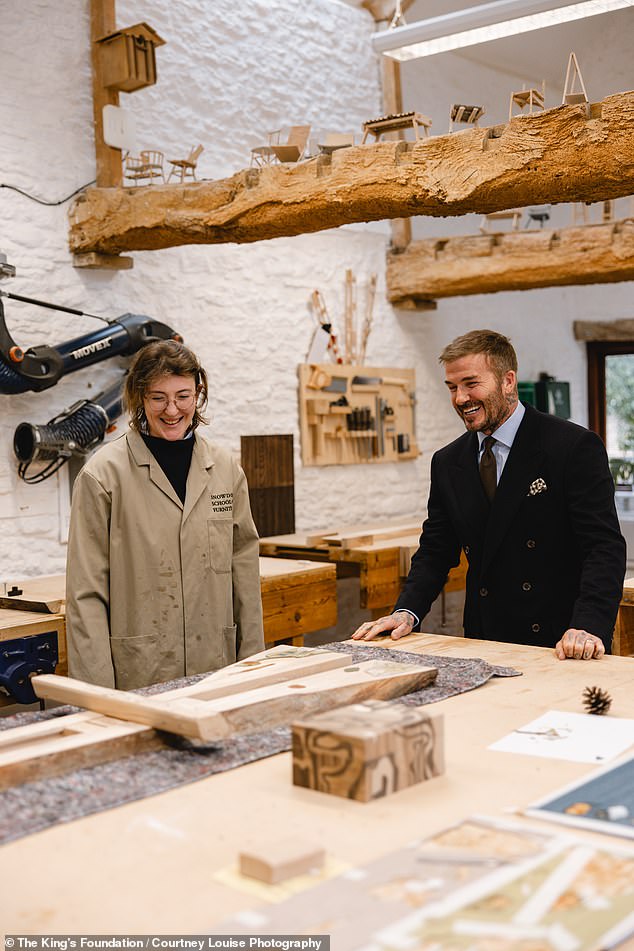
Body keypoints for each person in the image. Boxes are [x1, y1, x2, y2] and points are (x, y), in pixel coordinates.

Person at [353, 329, 626, 660]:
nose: (460, 398)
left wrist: (588, 624)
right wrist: (406, 611)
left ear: (508, 381)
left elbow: (603, 547)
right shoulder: (448, 461)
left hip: (564, 640)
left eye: (471, 384)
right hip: (485, 637)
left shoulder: (572, 447)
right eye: (452, 387)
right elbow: (436, 550)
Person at [66, 339, 264, 689]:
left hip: (215, 667)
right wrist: (96, 694)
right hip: (140, 672)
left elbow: (244, 574)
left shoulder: (224, 470)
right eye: (158, 397)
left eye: (183, 396)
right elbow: (85, 594)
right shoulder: (103, 475)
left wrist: (253, 669)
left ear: (198, 394)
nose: (172, 410)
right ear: (139, 397)